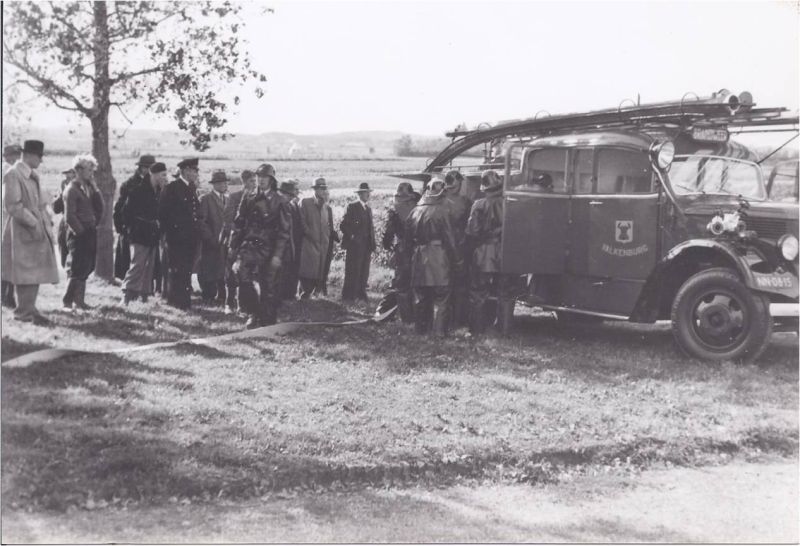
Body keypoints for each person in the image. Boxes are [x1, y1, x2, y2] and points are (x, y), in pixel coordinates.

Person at [1, 140, 59, 324]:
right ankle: (23, 312)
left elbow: (39, 202)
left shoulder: (32, 175)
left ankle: (29, 308)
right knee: (25, 271)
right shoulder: (13, 174)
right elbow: (12, 205)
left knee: (35, 270)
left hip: (35, 230)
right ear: (29, 155)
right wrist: (33, 222)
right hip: (22, 230)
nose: (41, 160)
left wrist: (45, 220)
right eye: (39, 156)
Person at [230, 164, 290, 328]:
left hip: (270, 247)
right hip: (250, 246)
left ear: (271, 180)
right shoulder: (249, 197)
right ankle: (252, 313)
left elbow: (284, 232)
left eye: (265, 177)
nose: (261, 180)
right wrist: (233, 245)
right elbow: (239, 223)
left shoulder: (279, 201)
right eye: (259, 177)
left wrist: (277, 255)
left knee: (267, 284)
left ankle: (267, 319)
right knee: (241, 273)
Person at [405, 179, 460, 336]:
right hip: (439, 256)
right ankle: (439, 331)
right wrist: (457, 260)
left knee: (420, 295)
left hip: (418, 256)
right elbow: (450, 239)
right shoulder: (444, 210)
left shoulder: (415, 211)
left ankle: (420, 330)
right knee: (442, 296)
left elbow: (407, 240)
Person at [465, 170, 515, 335]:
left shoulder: (479, 205)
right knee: (506, 293)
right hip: (507, 252)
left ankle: (477, 330)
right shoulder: (511, 203)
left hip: (484, 252)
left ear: (484, 187)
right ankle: (505, 331)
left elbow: (472, 231)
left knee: (478, 292)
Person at [61, 154, 104, 310]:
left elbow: (100, 207)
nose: (91, 173)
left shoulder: (87, 188)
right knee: (77, 267)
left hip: (89, 230)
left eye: (92, 170)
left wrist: (95, 188)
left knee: (87, 266)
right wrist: (81, 232)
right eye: (89, 170)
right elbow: (70, 216)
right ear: (78, 170)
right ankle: (67, 301)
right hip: (78, 234)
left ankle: (79, 301)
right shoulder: (72, 190)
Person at [121, 162, 167, 303]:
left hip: (153, 235)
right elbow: (126, 214)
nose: (165, 178)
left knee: (149, 267)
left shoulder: (159, 191)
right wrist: (135, 228)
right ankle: (126, 296)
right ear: (153, 175)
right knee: (137, 265)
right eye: (163, 175)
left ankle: (144, 296)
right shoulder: (138, 191)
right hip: (139, 234)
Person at [158, 157, 200, 310]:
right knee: (176, 269)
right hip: (176, 237)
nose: (196, 173)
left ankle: (184, 301)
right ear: (186, 171)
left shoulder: (191, 187)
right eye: (194, 170)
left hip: (190, 237)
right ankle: (176, 301)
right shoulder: (172, 188)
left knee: (186, 269)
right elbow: (163, 213)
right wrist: (168, 235)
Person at [381, 181, 419, 322]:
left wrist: (390, 247)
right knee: (411, 285)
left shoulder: (395, 212)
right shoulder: (418, 208)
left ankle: (386, 314)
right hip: (416, 251)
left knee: (399, 285)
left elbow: (387, 238)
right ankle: (410, 317)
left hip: (402, 250)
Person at [114, 154, 156, 280]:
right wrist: (122, 229)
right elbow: (120, 209)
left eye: (151, 168)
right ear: (141, 168)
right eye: (146, 168)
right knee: (131, 264)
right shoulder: (130, 184)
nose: (149, 171)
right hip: (133, 229)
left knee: (149, 266)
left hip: (150, 229)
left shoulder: (155, 183)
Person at [220, 169, 256, 314]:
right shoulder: (235, 197)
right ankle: (229, 304)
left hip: (250, 242)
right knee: (231, 274)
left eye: (255, 181)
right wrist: (236, 235)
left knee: (246, 274)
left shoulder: (258, 198)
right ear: (244, 182)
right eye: (251, 181)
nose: (254, 184)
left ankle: (243, 306)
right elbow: (228, 220)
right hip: (235, 241)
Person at [443, 170, 473, 328]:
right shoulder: (466, 202)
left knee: (444, 285)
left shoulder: (437, 199)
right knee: (460, 285)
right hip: (459, 247)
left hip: (442, 249)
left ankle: (445, 320)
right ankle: (458, 320)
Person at [298, 178, 335, 299]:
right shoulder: (305, 202)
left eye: (324, 188)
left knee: (319, 271)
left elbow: (327, 226)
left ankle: (312, 296)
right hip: (308, 243)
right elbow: (301, 222)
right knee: (307, 271)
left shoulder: (326, 207)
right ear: (315, 189)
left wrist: (326, 238)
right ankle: (303, 296)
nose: (323, 191)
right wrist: (310, 234)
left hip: (322, 245)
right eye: (320, 188)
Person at [197, 171, 229, 305]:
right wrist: (210, 238)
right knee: (208, 268)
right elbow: (201, 221)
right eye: (221, 183)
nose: (224, 185)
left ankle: (222, 295)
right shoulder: (206, 199)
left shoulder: (227, 199)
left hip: (225, 242)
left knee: (222, 269)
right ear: (214, 184)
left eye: (225, 182)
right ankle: (208, 295)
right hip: (210, 242)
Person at [340, 182, 376, 301]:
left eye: (368, 192)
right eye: (365, 193)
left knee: (364, 271)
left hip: (366, 246)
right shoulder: (352, 207)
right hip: (355, 247)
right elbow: (343, 225)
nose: (368, 195)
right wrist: (353, 237)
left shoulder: (368, 209)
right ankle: (349, 296)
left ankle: (361, 294)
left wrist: (372, 243)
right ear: (360, 194)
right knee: (353, 271)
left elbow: (370, 228)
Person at [1, 144, 23, 308]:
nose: (18, 158)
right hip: (6, 219)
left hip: (7, 218)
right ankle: (6, 297)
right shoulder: (9, 171)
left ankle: (7, 296)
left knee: (9, 260)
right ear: (8, 156)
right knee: (9, 260)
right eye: (16, 155)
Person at [278, 179, 302, 300]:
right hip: (279, 246)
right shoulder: (277, 207)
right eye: (289, 195)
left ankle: (288, 296)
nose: (291, 198)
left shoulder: (290, 206)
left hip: (290, 245)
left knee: (288, 271)